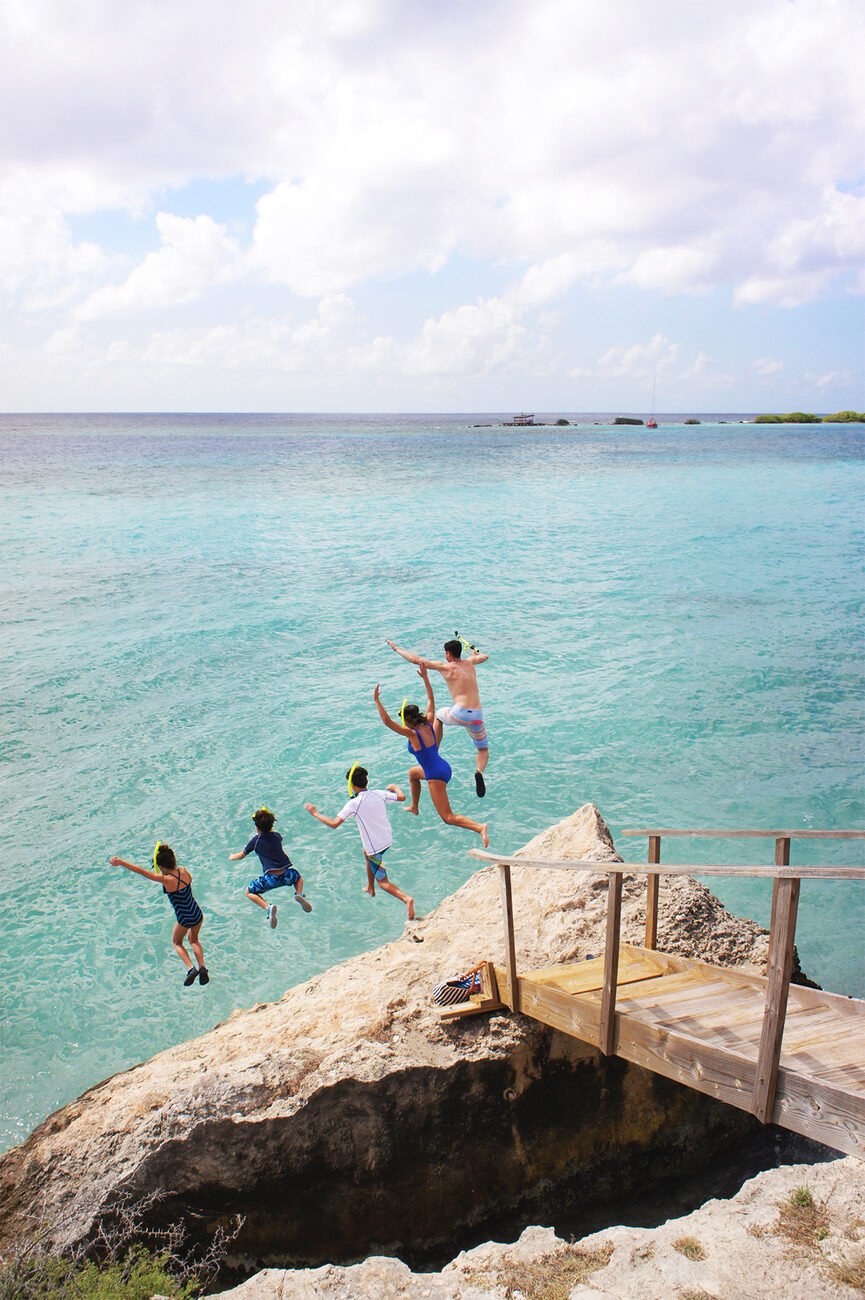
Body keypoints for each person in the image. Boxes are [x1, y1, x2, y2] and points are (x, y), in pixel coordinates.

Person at [374, 667, 489, 846]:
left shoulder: (412, 734)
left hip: (435, 776)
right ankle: (414, 806)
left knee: (447, 817)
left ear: (407, 720)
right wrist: (426, 678)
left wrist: (377, 701)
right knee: (413, 773)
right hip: (442, 766)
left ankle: (479, 827)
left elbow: (387, 722)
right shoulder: (428, 722)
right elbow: (430, 699)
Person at [305, 768, 415, 919]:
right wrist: (395, 787)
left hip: (375, 847)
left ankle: (406, 899)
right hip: (387, 839)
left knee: (383, 881)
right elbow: (402, 797)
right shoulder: (378, 793)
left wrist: (315, 813)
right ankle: (370, 887)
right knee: (366, 853)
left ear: (351, 786)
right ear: (366, 781)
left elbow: (334, 824)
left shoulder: (353, 804)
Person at [386, 637, 490, 796]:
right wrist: (475, 652)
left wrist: (396, 648)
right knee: (483, 749)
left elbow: (416, 659)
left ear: (448, 654)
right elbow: (484, 657)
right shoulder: (470, 662)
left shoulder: (446, 667)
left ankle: (434, 749)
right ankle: (479, 772)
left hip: (459, 712)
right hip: (476, 715)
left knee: (439, 716)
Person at [109, 842, 209, 986]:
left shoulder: (165, 880)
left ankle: (191, 968)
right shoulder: (184, 871)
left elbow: (141, 871)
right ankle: (202, 966)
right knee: (194, 940)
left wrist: (121, 862)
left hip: (184, 917)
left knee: (177, 942)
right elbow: (189, 882)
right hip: (197, 912)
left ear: (161, 867)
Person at [229, 806, 312, 929]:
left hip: (270, 879)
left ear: (257, 828)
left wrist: (232, 857)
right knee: (298, 877)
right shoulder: (277, 836)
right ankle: (299, 894)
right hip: (287, 875)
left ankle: (268, 908)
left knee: (249, 892)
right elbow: (271, 836)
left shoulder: (255, 841)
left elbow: (241, 855)